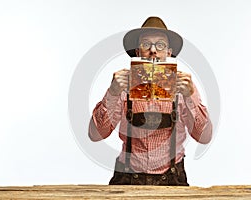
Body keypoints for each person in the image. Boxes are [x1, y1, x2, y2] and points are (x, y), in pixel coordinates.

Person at [88, 16, 212, 186]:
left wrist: (190, 95)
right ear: (138, 53)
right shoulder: (122, 86)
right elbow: (95, 135)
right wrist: (113, 92)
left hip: (171, 177)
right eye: (146, 45)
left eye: (160, 45)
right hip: (128, 177)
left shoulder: (183, 87)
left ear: (168, 53)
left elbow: (204, 137)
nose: (153, 51)